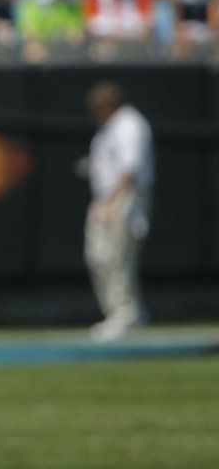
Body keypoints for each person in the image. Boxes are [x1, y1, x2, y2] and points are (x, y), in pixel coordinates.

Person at [81, 82, 153, 342]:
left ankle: (125, 314)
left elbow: (129, 169)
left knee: (116, 256)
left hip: (123, 199)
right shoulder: (112, 126)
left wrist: (111, 203)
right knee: (99, 256)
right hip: (107, 198)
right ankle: (118, 312)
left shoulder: (130, 125)